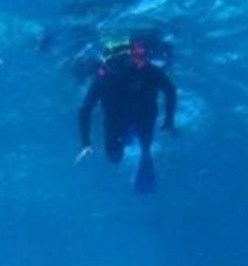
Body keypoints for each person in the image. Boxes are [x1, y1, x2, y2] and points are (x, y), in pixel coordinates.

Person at [76, 37, 178, 193]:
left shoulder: (144, 71)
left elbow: (85, 110)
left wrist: (86, 144)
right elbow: (85, 110)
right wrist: (85, 144)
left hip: (137, 116)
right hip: (126, 118)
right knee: (117, 157)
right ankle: (136, 144)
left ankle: (140, 149)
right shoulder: (104, 78)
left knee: (131, 151)